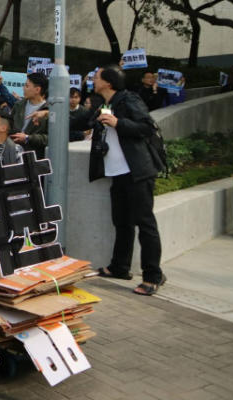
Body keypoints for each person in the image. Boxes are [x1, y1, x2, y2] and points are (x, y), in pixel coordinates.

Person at [89, 65, 165, 296]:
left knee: (145, 223)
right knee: (121, 222)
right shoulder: (104, 103)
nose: (93, 79)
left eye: (97, 76)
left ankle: (153, 275)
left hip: (137, 172)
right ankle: (119, 267)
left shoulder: (128, 99)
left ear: (109, 83)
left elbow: (147, 127)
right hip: (117, 173)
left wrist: (118, 123)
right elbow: (84, 121)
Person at [9, 72, 50, 158]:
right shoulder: (19, 105)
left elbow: (50, 138)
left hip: (34, 157)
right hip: (13, 154)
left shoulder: (49, 111)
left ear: (37, 90)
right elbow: (9, 124)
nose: (23, 88)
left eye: (27, 86)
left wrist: (28, 138)